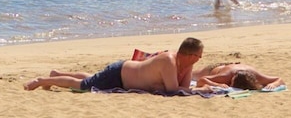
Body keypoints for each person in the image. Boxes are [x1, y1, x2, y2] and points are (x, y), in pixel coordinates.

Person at [24, 38, 207, 93]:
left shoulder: (185, 64)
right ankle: (43, 81)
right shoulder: (168, 61)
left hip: (124, 76)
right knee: (83, 86)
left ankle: (57, 73)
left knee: (92, 78)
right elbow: (174, 90)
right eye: (198, 56)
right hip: (119, 74)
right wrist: (201, 91)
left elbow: (181, 88)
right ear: (187, 54)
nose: (200, 59)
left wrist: (166, 86)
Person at [193, 62, 283, 91]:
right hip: (213, 69)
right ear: (232, 77)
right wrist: (217, 85)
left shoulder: (256, 76)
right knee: (190, 75)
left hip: (232, 65)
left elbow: (279, 79)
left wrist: (274, 84)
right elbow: (201, 80)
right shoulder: (226, 76)